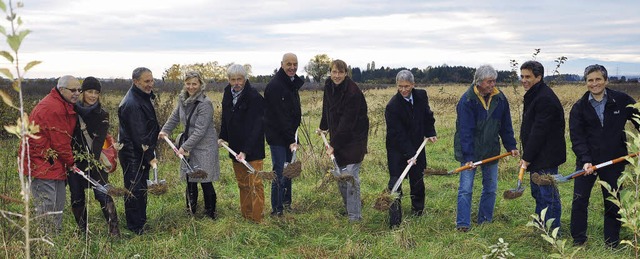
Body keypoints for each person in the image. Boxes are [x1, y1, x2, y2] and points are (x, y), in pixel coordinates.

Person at [569, 64, 639, 248]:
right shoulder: (579, 107)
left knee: (613, 201)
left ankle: (612, 242)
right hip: (587, 163)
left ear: (606, 80)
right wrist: (585, 160)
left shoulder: (621, 100)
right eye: (590, 80)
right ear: (585, 83)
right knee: (579, 200)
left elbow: (638, 117)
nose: (594, 83)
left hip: (614, 160)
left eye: (598, 79)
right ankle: (579, 240)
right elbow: (577, 138)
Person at [453, 65, 519, 232]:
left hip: (491, 150)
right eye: (489, 82)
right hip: (470, 151)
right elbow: (465, 131)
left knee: (490, 187)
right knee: (465, 189)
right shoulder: (467, 100)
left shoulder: (500, 98)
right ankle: (463, 224)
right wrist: (468, 157)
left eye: (494, 81)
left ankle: (485, 220)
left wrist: (511, 145)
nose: (492, 85)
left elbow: (505, 125)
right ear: (479, 82)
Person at [23, 75, 80, 235]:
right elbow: (60, 142)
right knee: (47, 207)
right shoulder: (54, 108)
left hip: (54, 164)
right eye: (73, 90)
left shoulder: (63, 105)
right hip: (41, 163)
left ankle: (54, 239)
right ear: (61, 90)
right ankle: (45, 244)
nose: (77, 93)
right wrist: (71, 162)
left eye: (79, 90)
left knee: (57, 204)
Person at [159, 71, 220, 220]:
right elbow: (174, 117)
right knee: (190, 179)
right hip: (189, 143)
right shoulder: (182, 99)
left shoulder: (205, 103)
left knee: (204, 179)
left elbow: (200, 130)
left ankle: (210, 213)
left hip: (204, 146)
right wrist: (165, 130)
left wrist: (185, 147)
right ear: (184, 84)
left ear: (200, 85)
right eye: (188, 83)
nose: (191, 87)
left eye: (194, 83)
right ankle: (191, 211)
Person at [318, 59, 369, 222]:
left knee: (350, 178)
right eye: (334, 72)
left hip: (355, 139)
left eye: (340, 72)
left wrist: (333, 145)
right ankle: (349, 209)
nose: (337, 75)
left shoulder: (352, 92)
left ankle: (355, 218)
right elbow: (327, 108)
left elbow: (348, 122)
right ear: (330, 72)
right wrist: (323, 127)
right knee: (340, 176)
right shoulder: (329, 85)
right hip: (338, 137)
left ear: (346, 73)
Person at [385, 69, 437, 228]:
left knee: (417, 178)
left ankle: (418, 210)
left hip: (417, 144)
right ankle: (394, 219)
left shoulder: (421, 95)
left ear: (413, 84)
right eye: (400, 86)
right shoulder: (392, 106)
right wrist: (409, 153)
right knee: (396, 181)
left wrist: (430, 132)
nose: (403, 90)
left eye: (406, 86)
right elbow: (397, 133)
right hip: (396, 147)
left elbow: (427, 115)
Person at [69, 76, 120, 236]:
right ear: (82, 92)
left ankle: (114, 229)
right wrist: (71, 160)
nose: (93, 96)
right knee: (77, 197)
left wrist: (91, 160)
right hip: (74, 162)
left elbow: (98, 142)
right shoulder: (72, 111)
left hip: (95, 162)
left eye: (96, 93)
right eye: (90, 91)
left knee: (102, 194)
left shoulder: (102, 114)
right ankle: (82, 230)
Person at [519, 60, 566, 230]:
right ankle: (542, 227)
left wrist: (526, 158)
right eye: (522, 76)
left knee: (548, 194)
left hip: (547, 156)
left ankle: (553, 232)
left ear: (539, 77)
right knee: (538, 192)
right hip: (538, 154)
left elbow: (539, 132)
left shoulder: (544, 98)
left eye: (528, 76)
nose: (524, 80)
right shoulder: (534, 95)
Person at [218, 64, 266, 223]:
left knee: (255, 184)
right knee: (243, 184)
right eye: (233, 80)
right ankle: (247, 216)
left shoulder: (255, 97)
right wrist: (223, 137)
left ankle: (257, 218)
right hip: (235, 148)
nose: (237, 83)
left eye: (240, 79)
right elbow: (225, 118)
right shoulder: (227, 94)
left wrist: (246, 151)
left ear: (245, 79)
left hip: (253, 149)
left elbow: (257, 127)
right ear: (229, 80)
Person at [118, 67, 160, 234]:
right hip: (133, 154)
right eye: (146, 81)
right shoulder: (132, 103)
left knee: (140, 188)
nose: (151, 84)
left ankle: (140, 222)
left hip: (139, 152)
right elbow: (139, 135)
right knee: (134, 190)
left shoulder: (141, 96)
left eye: (152, 80)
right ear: (136, 82)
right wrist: (150, 156)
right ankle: (135, 228)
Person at [264, 53, 304, 216]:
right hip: (278, 138)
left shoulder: (291, 84)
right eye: (289, 64)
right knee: (280, 172)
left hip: (289, 136)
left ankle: (287, 205)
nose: (292, 67)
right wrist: (290, 140)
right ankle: (277, 210)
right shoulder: (275, 86)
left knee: (289, 172)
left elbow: (293, 114)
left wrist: (294, 138)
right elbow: (280, 117)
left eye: (295, 64)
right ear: (282, 64)